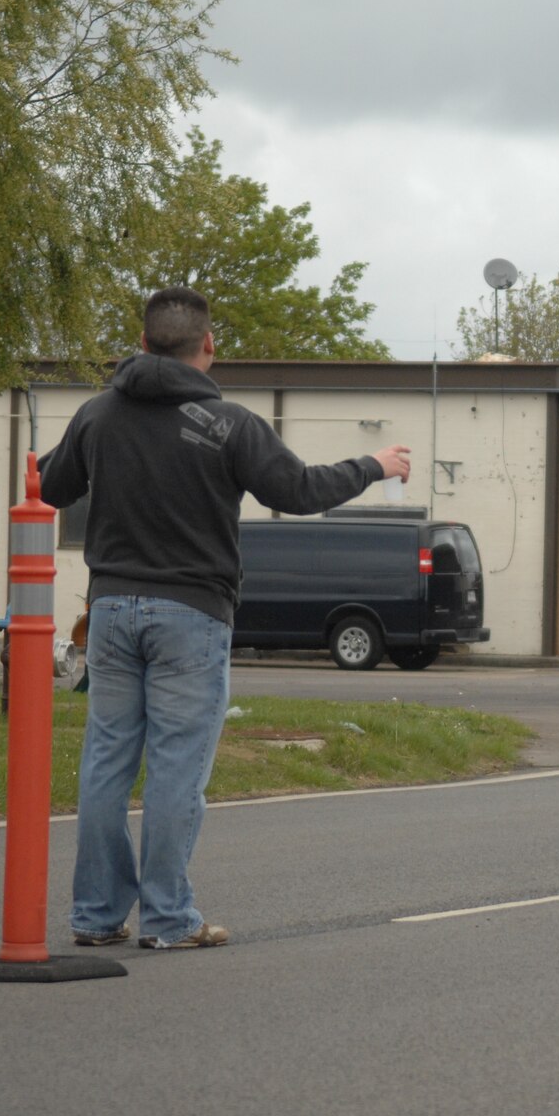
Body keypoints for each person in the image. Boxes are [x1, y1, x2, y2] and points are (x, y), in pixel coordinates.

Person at [40, 287, 411, 949]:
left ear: (143, 341)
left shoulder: (98, 415)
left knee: (106, 763)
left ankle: (96, 916)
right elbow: (298, 491)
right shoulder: (230, 424)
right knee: (177, 767)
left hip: (111, 611)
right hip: (191, 612)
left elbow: (52, 486)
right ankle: (168, 919)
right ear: (206, 346)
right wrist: (373, 466)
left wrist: (50, 461)